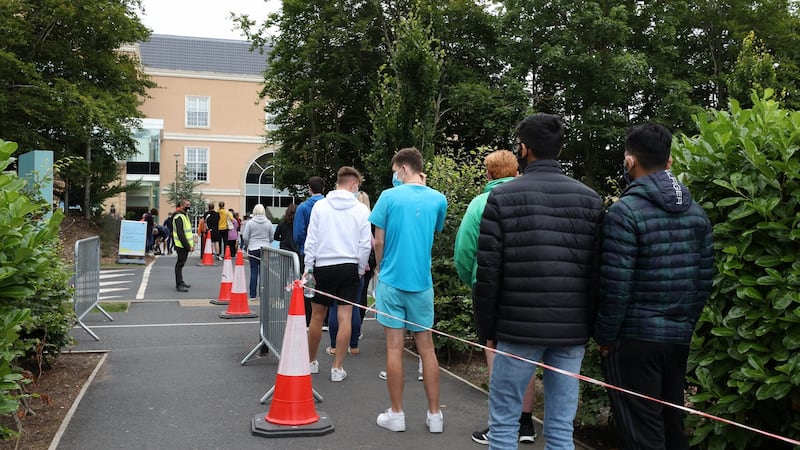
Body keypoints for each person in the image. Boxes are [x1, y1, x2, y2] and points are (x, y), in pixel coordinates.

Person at [473, 113, 603, 449]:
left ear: (523, 149)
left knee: (503, 424)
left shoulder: (501, 198)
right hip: (570, 329)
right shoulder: (590, 199)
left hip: (517, 328)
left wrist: (486, 330)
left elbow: (488, 272)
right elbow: (596, 273)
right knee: (560, 427)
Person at [595, 123, 714, 450]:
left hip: (634, 339)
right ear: (670, 161)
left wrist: (605, 338)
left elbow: (615, 285)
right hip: (677, 339)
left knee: (641, 432)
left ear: (629, 162)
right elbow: (704, 280)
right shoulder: (697, 214)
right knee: (671, 426)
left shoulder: (624, 212)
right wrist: (684, 326)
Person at [453, 149, 538, 445]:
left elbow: (464, 250)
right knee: (523, 351)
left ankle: (500, 423)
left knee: (494, 351)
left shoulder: (480, 203)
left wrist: (471, 278)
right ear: (516, 171)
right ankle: (525, 423)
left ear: (488, 174)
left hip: (487, 284)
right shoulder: (530, 197)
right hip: (527, 285)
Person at [370, 147, 448, 434]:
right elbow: (433, 229)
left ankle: (397, 413)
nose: (393, 175)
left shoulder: (388, 197)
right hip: (422, 282)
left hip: (392, 279)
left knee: (394, 348)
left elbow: (378, 242)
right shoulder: (438, 198)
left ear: (403, 168)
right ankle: (435, 414)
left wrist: (380, 268)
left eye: (394, 170)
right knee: (427, 349)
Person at [304, 167, 371, 382]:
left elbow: (311, 240)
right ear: (353, 185)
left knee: (316, 316)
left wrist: (309, 268)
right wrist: (360, 269)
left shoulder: (320, 207)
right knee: (345, 318)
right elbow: (365, 245)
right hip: (349, 266)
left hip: (323, 265)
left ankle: (311, 361)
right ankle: (337, 367)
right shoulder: (362, 210)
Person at [326, 190, 375, 356]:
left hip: (335, 264)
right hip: (356, 267)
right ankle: (353, 345)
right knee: (353, 307)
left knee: (334, 307)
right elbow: (368, 244)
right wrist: (361, 268)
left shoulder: (336, 217)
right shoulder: (364, 218)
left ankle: (334, 346)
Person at [294, 176, 325, 325]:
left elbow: (298, 233)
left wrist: (301, 245)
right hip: (326, 252)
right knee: (326, 286)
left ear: (309, 188)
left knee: (308, 285)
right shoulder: (328, 205)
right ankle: (325, 319)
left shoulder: (303, 207)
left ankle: (309, 319)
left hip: (307, 251)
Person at [242, 204, 274, 299]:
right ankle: (263, 294)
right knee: (264, 272)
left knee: (254, 271)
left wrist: (248, 244)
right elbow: (272, 236)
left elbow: (245, 237)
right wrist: (267, 242)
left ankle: (252, 294)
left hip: (253, 248)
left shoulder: (250, 223)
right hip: (265, 249)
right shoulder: (268, 222)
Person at [172, 199, 194, 292]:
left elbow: (187, 232)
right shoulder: (179, 217)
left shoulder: (185, 216)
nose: (189, 207)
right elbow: (181, 233)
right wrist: (187, 246)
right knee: (179, 264)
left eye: (189, 204)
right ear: (181, 205)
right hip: (181, 245)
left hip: (184, 245)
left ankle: (180, 281)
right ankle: (179, 284)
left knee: (181, 264)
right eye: (187, 205)